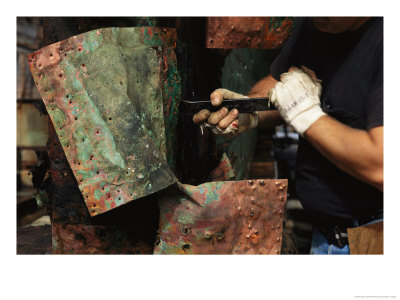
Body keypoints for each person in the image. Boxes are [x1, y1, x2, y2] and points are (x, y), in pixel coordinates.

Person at [193, 17, 383, 254]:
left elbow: (382, 167)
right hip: (325, 234)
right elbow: (279, 81)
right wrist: (250, 111)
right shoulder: (318, 23)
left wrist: (306, 114)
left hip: (375, 237)